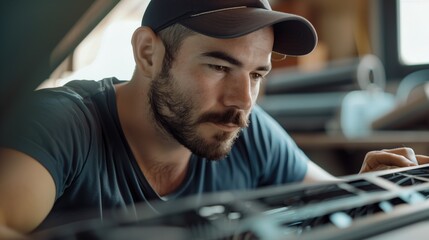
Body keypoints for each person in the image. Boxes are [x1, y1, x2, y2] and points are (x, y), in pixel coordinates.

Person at [1, 0, 428, 238]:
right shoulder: (60, 125)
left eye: (257, 74)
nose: (243, 100)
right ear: (148, 53)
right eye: (219, 67)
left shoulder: (246, 129)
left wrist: (366, 186)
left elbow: (322, 201)